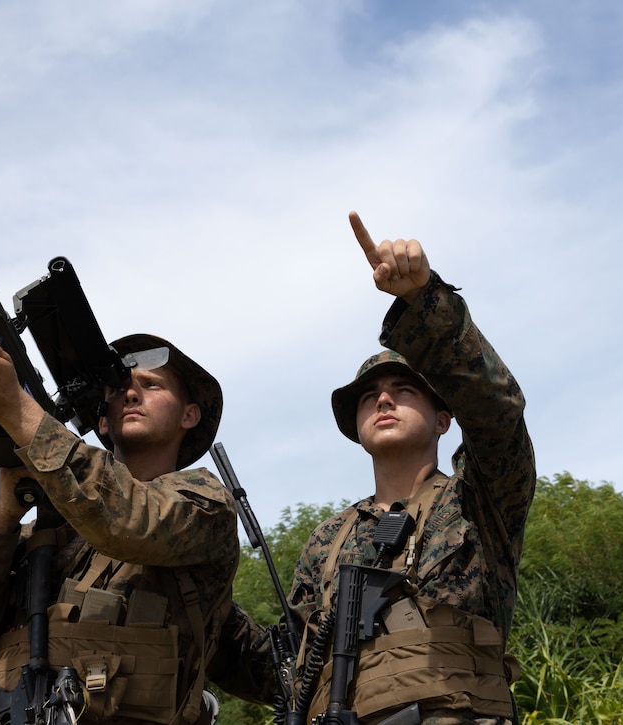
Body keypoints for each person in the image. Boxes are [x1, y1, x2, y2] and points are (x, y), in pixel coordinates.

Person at [212, 211, 536, 724]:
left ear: (444, 418)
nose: (383, 399)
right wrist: (192, 586)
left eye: (403, 390)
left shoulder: (478, 502)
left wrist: (425, 302)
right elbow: (283, 667)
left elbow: (497, 413)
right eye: (368, 397)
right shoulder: (327, 541)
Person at [0, 330, 239, 725]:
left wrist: (15, 407)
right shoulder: (36, 541)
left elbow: (128, 520)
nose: (131, 394)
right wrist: (5, 521)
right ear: (102, 421)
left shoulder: (204, 506)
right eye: (119, 389)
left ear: (189, 414)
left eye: (151, 385)